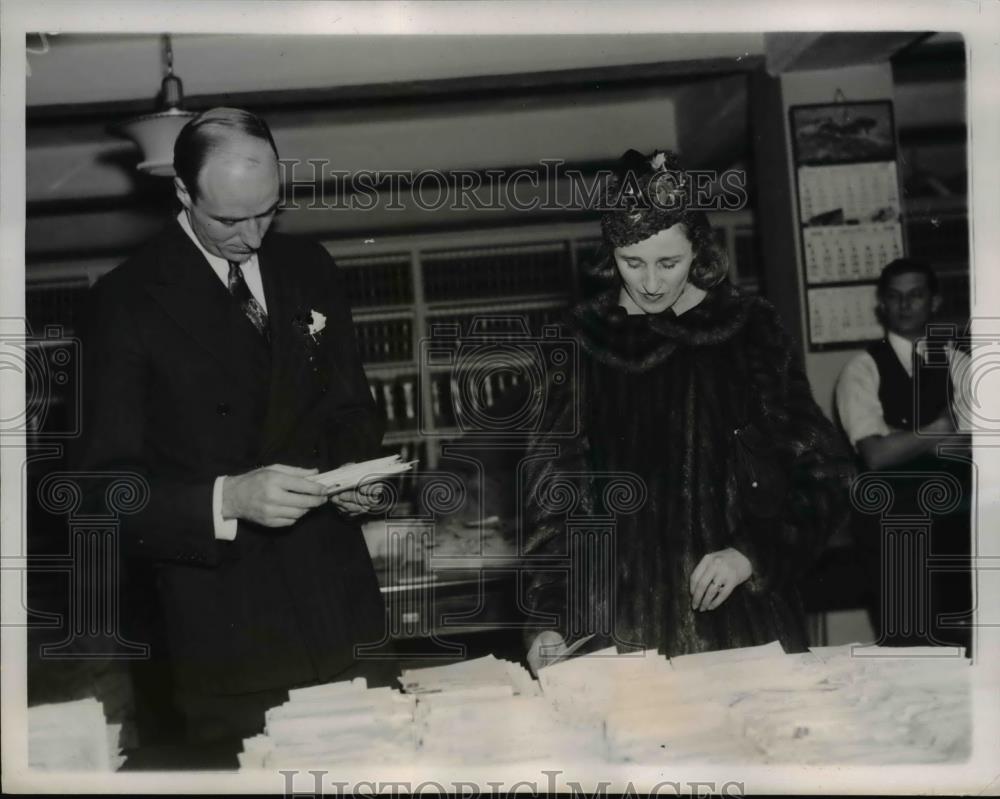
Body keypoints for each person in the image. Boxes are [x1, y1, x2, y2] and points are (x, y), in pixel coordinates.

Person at [74, 108, 392, 749]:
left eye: (269, 211)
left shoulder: (310, 267)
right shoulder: (125, 302)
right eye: (228, 219)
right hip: (227, 642)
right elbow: (95, 492)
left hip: (343, 616)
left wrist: (352, 479)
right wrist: (228, 499)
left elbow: (352, 412)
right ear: (183, 194)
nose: (252, 236)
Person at [523, 149, 854, 673]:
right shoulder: (579, 344)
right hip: (615, 632)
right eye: (632, 263)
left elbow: (824, 473)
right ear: (609, 254)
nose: (651, 282)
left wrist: (751, 554)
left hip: (740, 631)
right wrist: (547, 617)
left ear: (697, 251)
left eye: (668, 263)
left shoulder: (748, 332)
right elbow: (553, 499)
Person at [835, 258, 972, 649]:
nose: (905, 305)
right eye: (894, 297)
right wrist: (940, 428)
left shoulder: (961, 366)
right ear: (882, 305)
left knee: (964, 644)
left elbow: (971, 446)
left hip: (957, 524)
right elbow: (876, 455)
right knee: (908, 646)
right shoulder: (861, 370)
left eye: (915, 295)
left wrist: (902, 437)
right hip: (893, 528)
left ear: (935, 302)